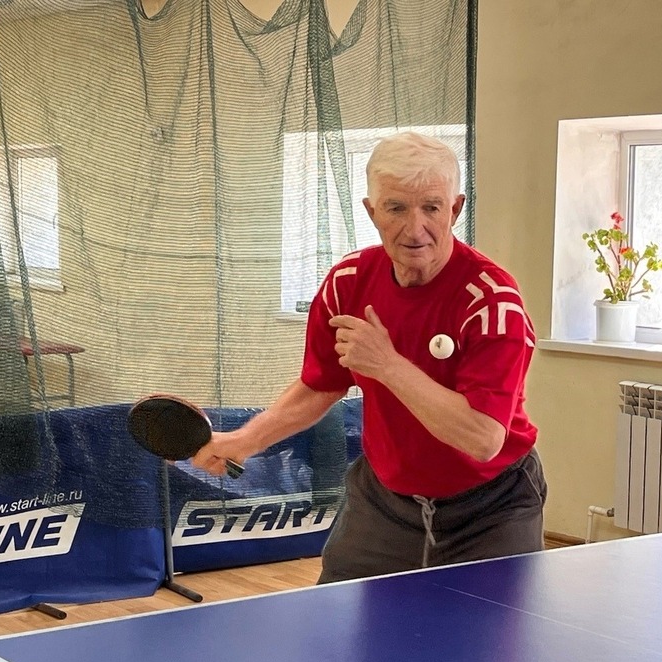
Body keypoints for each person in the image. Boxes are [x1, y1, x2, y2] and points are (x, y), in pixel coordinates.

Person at [193, 131, 546, 583]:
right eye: (396, 208)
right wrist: (243, 441)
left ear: (455, 209)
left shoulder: (492, 302)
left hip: (491, 508)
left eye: (431, 208)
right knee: (340, 620)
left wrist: (387, 365)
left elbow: (482, 438)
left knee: (486, 630)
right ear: (371, 211)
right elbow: (320, 386)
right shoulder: (348, 283)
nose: (415, 229)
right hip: (384, 503)